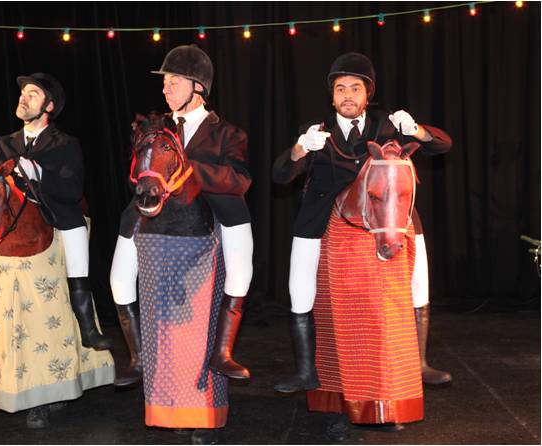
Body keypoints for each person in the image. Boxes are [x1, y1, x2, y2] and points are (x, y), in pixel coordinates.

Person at [272, 52, 452, 435]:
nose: (348, 95)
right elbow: (280, 174)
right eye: (341, 89)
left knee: (414, 288)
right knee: (300, 286)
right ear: (332, 96)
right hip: (324, 221)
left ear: (367, 94)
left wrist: (416, 130)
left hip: (386, 221)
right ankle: (307, 369)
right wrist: (301, 149)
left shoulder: (389, 125)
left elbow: (442, 146)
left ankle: (414, 368)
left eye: (355, 88)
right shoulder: (316, 129)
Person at [110, 44, 253, 445]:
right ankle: (138, 358)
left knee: (241, 272)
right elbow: (139, 171)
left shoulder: (227, 132)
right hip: (154, 219)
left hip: (215, 215)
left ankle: (222, 352)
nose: (166, 89)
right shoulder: (156, 129)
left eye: (174, 82)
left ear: (198, 87)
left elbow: (239, 179)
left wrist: (191, 169)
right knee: (118, 282)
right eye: (166, 82)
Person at [0, 73, 112, 365]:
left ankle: (88, 329)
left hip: (59, 214)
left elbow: (72, 189)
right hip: (15, 221)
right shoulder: (5, 143)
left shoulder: (65, 143)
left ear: (49, 106)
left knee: (76, 245)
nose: (23, 97)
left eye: (33, 94)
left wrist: (36, 170)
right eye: (23, 92)